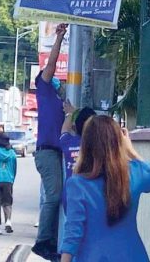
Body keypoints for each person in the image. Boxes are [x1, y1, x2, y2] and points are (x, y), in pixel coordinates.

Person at [60, 116, 150, 262]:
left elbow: (73, 233)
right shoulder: (133, 174)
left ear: (87, 144)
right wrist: (131, 150)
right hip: (133, 256)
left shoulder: (78, 184)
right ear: (118, 142)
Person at [32, 23, 67, 260]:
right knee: (53, 196)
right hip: (47, 152)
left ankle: (51, 240)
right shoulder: (44, 89)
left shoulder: (56, 99)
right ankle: (43, 242)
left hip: (56, 153)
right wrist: (59, 38)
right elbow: (52, 64)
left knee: (57, 196)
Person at [57, 104, 96, 250]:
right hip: (91, 197)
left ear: (76, 127)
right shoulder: (96, 146)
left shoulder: (68, 143)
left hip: (70, 196)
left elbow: (64, 131)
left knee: (73, 232)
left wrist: (70, 114)